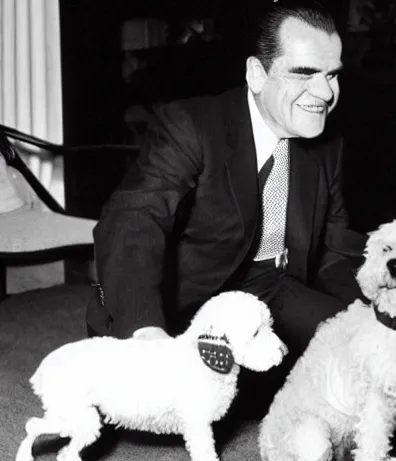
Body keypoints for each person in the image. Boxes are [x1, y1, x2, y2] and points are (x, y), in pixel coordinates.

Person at [86, 1, 367, 409]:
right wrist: (145, 333)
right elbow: (134, 219)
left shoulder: (327, 144)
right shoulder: (191, 125)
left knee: (365, 358)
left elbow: (336, 249)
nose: (326, 93)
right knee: (185, 407)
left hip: (274, 290)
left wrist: (377, 312)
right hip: (189, 302)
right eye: (305, 73)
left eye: (332, 75)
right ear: (257, 74)